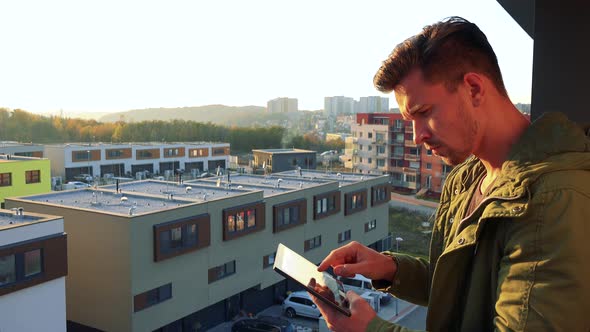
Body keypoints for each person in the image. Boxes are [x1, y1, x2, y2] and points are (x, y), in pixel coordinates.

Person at [311, 16, 590, 331]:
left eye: (424, 113)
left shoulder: (555, 200)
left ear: (473, 89)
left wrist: (369, 329)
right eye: (408, 120)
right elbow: (460, 288)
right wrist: (388, 268)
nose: (417, 137)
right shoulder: (466, 178)